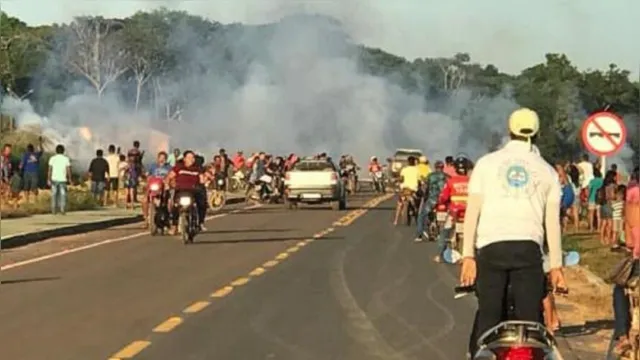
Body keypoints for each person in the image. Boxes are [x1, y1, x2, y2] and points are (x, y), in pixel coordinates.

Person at [460, 108, 566, 356]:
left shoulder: (486, 164)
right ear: (537, 134)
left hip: (490, 249)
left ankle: (481, 355)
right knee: (530, 322)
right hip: (528, 251)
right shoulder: (547, 171)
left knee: (488, 317)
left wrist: (467, 256)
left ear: (510, 132)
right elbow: (552, 223)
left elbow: (472, 213)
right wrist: (557, 267)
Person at [434, 156, 470, 261]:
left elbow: (443, 197)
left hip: (454, 212)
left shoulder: (451, 181)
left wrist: (440, 202)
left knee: (445, 232)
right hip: (469, 212)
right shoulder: (472, 181)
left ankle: (440, 255)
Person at [166, 151, 206, 234]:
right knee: (175, 206)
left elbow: (202, 179)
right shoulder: (179, 167)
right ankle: (174, 226)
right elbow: (170, 176)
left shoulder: (198, 168)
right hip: (180, 191)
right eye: (189, 157)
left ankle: (200, 223)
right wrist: (167, 184)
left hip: (194, 191)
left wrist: (203, 184)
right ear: (184, 159)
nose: (191, 159)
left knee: (202, 204)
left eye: (193, 158)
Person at [415, 160, 448, 242]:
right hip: (444, 201)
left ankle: (419, 235)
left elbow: (425, 188)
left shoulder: (430, 176)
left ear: (435, 167)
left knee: (421, 215)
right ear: (442, 168)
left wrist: (423, 194)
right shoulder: (447, 177)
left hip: (432, 200)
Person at [143, 151, 172, 226]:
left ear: (166, 159)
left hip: (164, 186)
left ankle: (169, 217)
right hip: (154, 186)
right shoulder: (153, 166)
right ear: (158, 158)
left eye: (164, 158)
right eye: (160, 158)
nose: (162, 160)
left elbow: (172, 176)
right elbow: (148, 174)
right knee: (144, 200)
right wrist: (146, 177)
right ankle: (146, 219)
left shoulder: (169, 167)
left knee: (169, 201)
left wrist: (168, 182)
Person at [393, 156, 419, 225]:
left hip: (404, 189)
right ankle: (418, 218)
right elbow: (419, 180)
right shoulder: (417, 170)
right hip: (414, 189)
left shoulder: (404, 169)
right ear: (414, 162)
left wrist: (397, 180)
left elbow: (401, 179)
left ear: (408, 162)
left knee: (399, 204)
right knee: (417, 204)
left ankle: (395, 220)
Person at [47, 144, 71, 215]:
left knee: (54, 194)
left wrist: (48, 179)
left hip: (54, 179)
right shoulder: (66, 159)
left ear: (56, 151)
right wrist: (70, 178)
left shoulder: (52, 158)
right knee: (63, 194)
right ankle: (62, 209)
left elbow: (50, 170)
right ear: (63, 151)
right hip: (63, 179)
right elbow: (68, 170)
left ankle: (54, 210)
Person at [19, 138, 44, 203]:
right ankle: (35, 200)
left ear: (27, 149)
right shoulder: (36, 154)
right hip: (34, 173)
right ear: (33, 149)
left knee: (26, 188)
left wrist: (20, 170)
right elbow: (41, 150)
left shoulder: (25, 155)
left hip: (27, 173)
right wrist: (40, 142)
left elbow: (21, 165)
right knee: (34, 187)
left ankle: (27, 201)